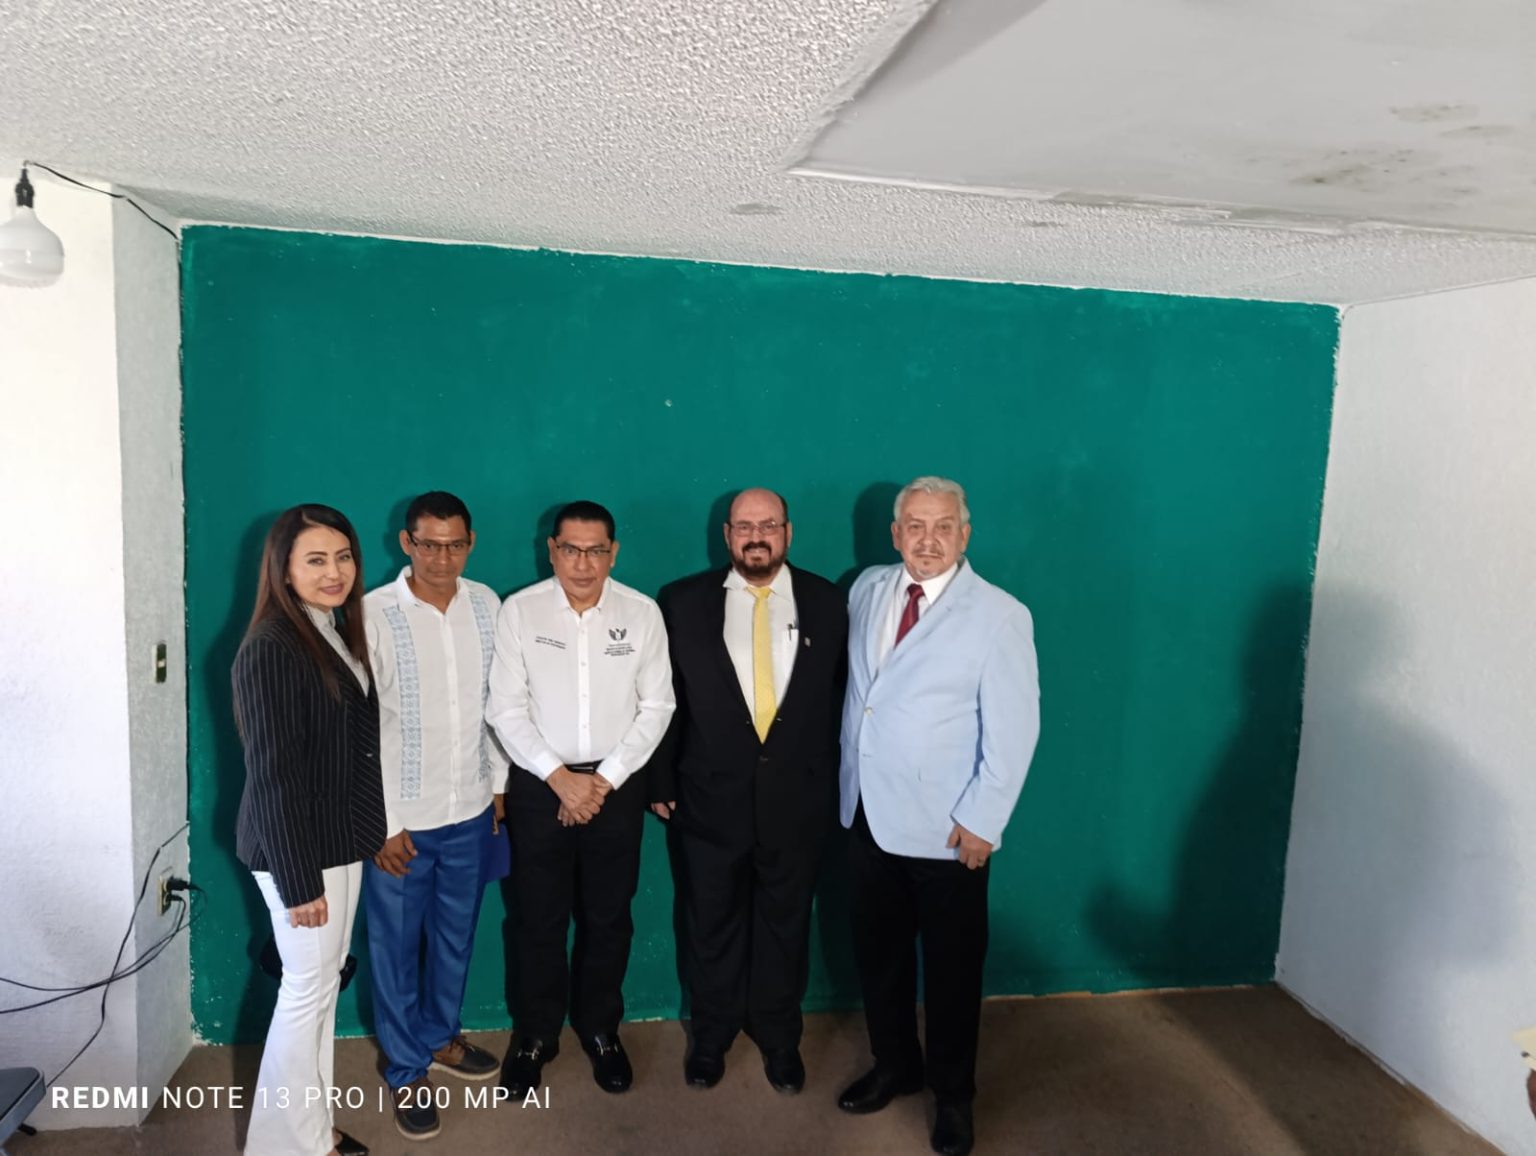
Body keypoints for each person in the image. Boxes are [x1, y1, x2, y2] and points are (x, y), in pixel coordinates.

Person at [837, 477, 1040, 1156]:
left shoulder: (1000, 615)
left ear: (965, 534)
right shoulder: (867, 589)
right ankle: (895, 1064)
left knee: (952, 974)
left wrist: (985, 820)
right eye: (916, 526)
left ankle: (953, 1096)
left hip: (949, 830)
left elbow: (1015, 730)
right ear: (896, 534)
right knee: (880, 960)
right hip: (866, 814)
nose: (929, 540)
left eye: (943, 526)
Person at [649, 488, 847, 1093]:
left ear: (788, 532)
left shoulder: (828, 601)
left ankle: (780, 1038)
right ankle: (711, 1037)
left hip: (799, 802)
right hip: (707, 800)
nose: (756, 535)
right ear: (727, 535)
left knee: (786, 926)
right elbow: (663, 697)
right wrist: (660, 778)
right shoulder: (682, 602)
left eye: (768, 524)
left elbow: (844, 697)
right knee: (710, 924)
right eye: (743, 526)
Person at [486, 501, 675, 1097]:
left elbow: (658, 707)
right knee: (536, 919)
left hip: (615, 788)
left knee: (608, 917)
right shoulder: (520, 611)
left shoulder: (642, 613)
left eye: (596, 551)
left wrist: (604, 779)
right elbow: (504, 709)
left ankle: (601, 1030)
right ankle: (535, 1036)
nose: (583, 563)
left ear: (613, 553)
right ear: (552, 550)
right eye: (571, 549)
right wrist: (559, 777)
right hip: (540, 788)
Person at [233, 504, 386, 1156]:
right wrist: (299, 884)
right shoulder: (272, 647)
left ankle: (309, 1130)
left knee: (321, 989)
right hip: (298, 854)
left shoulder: (329, 630)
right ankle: (283, 1145)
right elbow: (274, 777)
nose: (334, 572)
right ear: (284, 569)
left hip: (338, 841)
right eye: (316, 560)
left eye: (343, 557)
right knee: (305, 994)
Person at [362, 492, 509, 1140]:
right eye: (429, 544)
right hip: (403, 821)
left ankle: (440, 1036)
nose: (441, 558)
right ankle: (405, 1069)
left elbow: (500, 702)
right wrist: (383, 821)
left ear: (470, 543)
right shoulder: (372, 614)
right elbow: (362, 729)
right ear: (406, 543)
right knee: (394, 950)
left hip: (471, 808)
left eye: (454, 545)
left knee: (456, 937)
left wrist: (498, 783)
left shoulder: (487, 604)